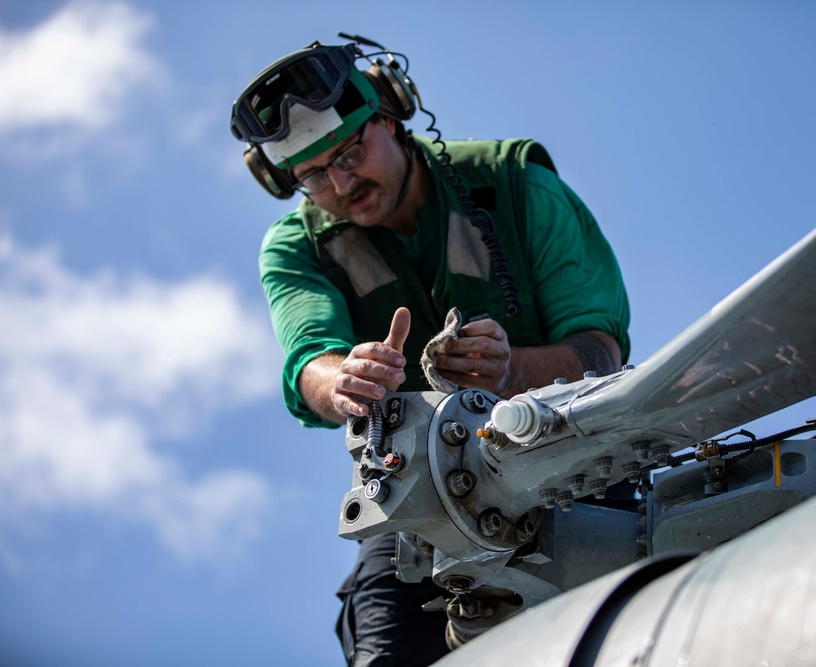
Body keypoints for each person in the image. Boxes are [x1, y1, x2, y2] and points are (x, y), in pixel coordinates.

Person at [231, 39, 630, 667]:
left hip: (580, 479)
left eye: (351, 152)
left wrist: (511, 371)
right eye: (312, 176)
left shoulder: (516, 182)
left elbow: (601, 352)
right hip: (416, 509)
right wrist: (345, 380)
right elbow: (309, 362)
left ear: (391, 115)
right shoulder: (294, 248)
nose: (341, 183)